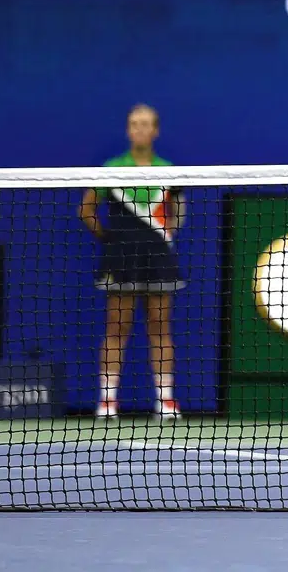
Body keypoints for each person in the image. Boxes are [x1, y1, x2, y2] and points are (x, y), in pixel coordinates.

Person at [79, 104, 187, 420]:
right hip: (121, 260)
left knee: (160, 328)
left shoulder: (169, 170)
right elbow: (86, 211)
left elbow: (178, 212)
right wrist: (110, 241)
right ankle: (107, 401)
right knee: (116, 328)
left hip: (158, 260)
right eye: (134, 124)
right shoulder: (112, 168)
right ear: (128, 130)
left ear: (156, 130)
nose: (139, 129)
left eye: (145, 124)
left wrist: (162, 237)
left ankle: (165, 401)